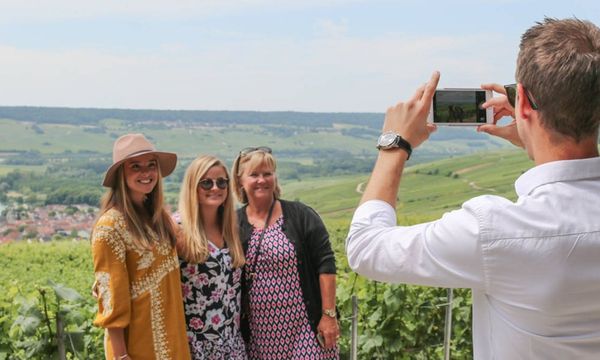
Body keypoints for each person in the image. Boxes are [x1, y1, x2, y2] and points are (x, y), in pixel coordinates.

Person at [346, 17, 600, 359]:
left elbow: (365, 247)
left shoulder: (494, 231)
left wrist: (395, 144)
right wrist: (534, 139)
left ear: (521, 101)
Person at [231, 147, 340, 359]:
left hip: (305, 325)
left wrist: (329, 315)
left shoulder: (301, 215)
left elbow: (326, 264)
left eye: (267, 173)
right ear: (241, 181)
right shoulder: (233, 223)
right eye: (254, 174)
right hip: (258, 333)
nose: (262, 180)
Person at [91, 133, 191, 360]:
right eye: (135, 166)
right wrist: (121, 356)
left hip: (172, 339)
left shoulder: (158, 217)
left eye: (151, 165)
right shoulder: (110, 226)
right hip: (137, 346)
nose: (145, 173)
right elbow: (111, 299)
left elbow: (192, 252)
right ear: (120, 174)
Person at [176, 155, 247, 359]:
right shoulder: (178, 229)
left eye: (222, 182)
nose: (215, 188)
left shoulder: (231, 229)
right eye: (206, 182)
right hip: (195, 347)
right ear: (193, 186)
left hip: (232, 345)